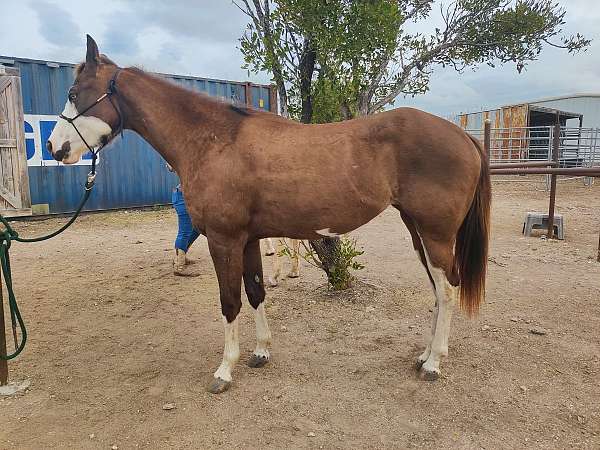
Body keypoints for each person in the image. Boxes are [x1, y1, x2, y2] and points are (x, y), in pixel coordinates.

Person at [167, 163, 201, 276]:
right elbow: (171, 166)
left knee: (197, 228)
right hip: (182, 197)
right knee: (185, 231)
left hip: (189, 197)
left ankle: (182, 256)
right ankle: (179, 265)